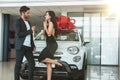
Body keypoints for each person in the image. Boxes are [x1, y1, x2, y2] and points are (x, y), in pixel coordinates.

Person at [38, 11, 62, 80]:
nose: (45, 16)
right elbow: (43, 35)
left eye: (47, 15)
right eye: (45, 15)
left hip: (52, 45)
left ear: (50, 16)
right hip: (50, 44)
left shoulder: (51, 23)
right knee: (48, 64)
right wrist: (44, 25)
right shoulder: (48, 24)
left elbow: (49, 34)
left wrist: (45, 26)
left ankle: (56, 62)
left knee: (40, 59)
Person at [14, 6, 36, 80]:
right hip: (21, 46)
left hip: (28, 47)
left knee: (32, 63)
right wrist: (31, 30)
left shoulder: (28, 22)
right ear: (23, 13)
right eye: (28, 13)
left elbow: (30, 36)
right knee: (18, 65)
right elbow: (19, 34)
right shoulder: (18, 21)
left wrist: (33, 45)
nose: (29, 14)